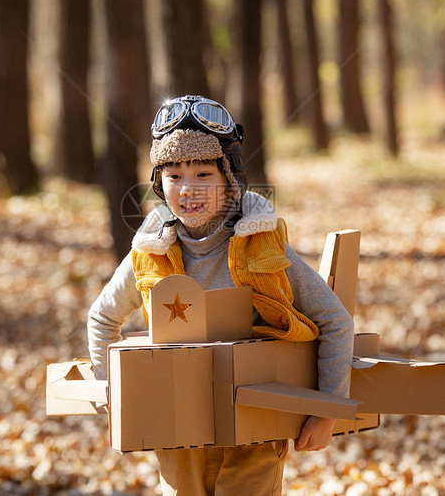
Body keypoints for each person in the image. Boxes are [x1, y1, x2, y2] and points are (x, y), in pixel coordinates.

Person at [87, 95, 354, 495]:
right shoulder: (151, 252)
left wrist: (326, 413)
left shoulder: (262, 245)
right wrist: (115, 395)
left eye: (202, 175)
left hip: (255, 429)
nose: (187, 189)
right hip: (178, 432)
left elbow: (336, 321)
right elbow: (102, 318)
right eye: (174, 175)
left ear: (229, 180)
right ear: (159, 183)